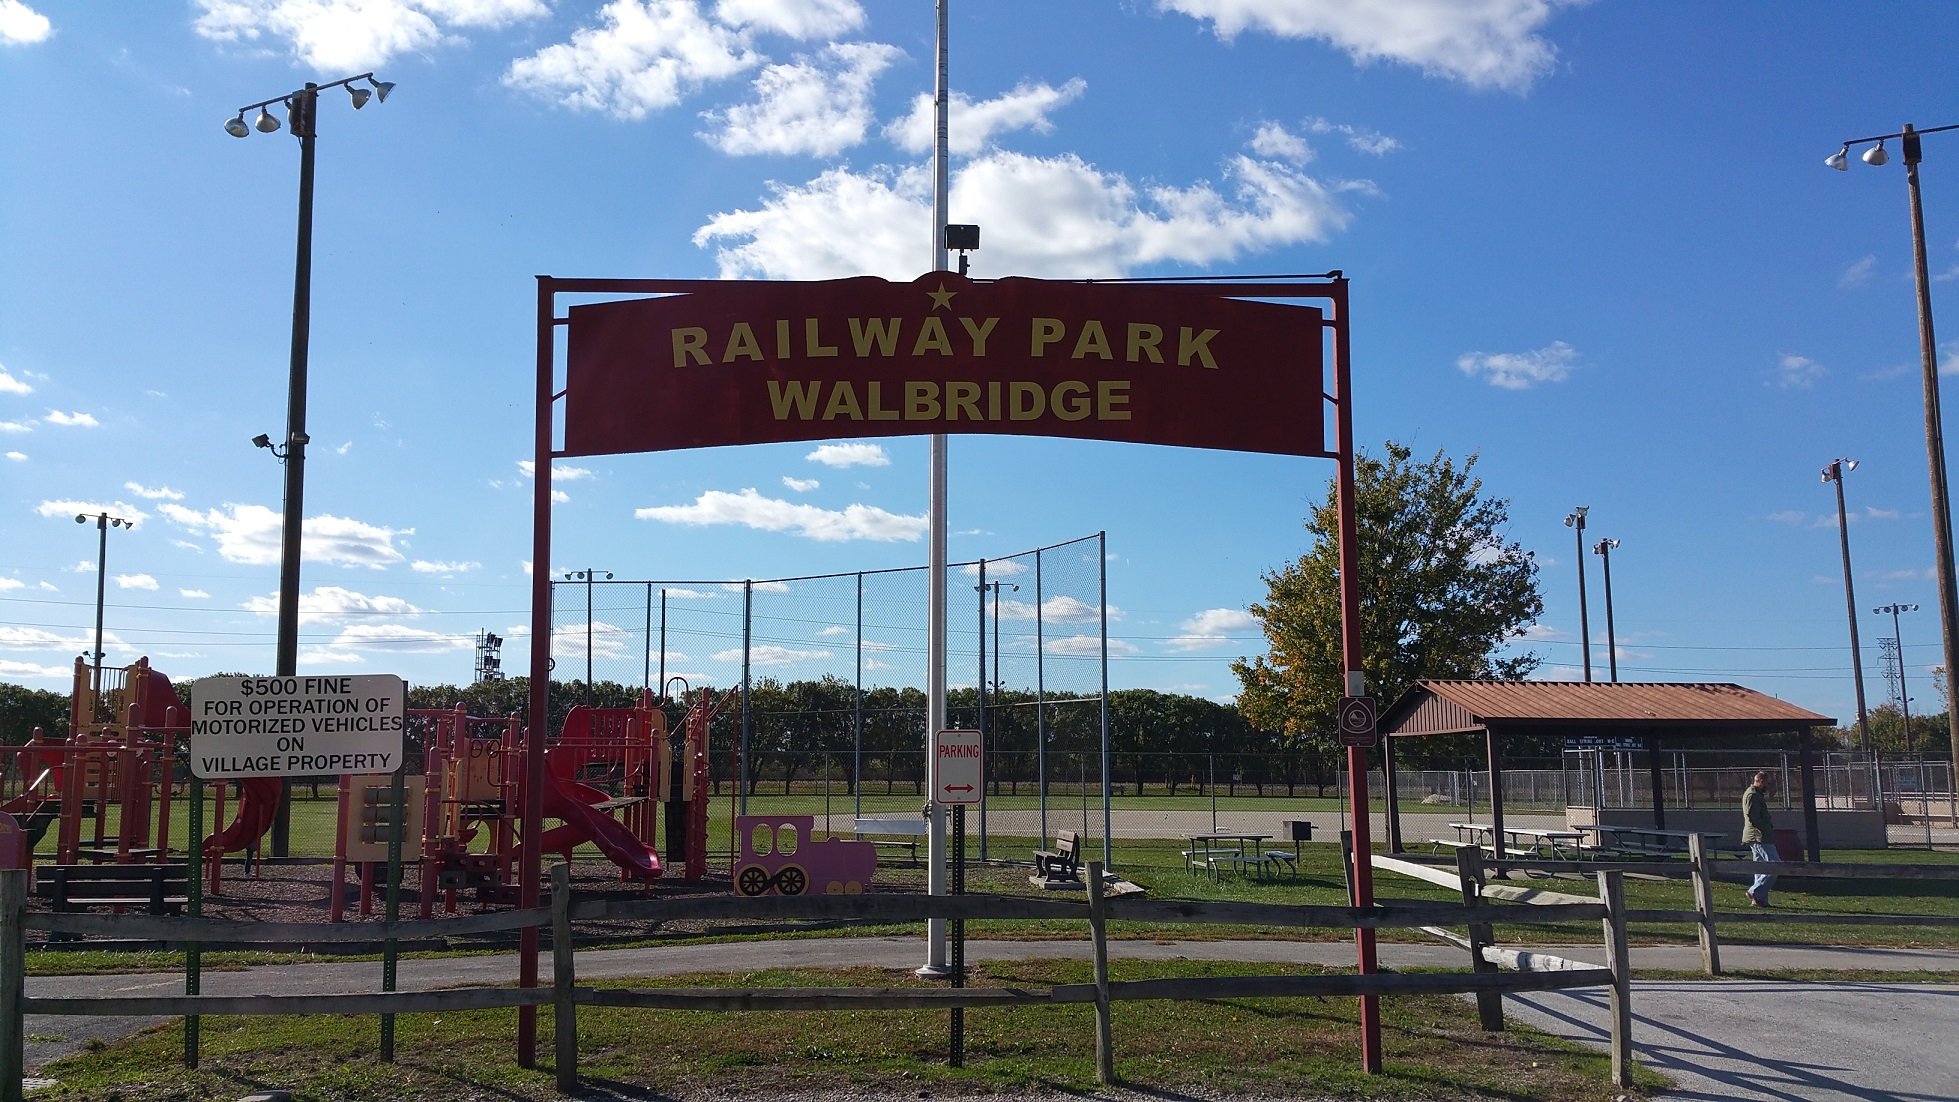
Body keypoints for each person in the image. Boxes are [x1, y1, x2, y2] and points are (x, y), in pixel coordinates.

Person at [1741, 770, 1776, 907]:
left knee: (1760, 868)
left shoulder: (1756, 794)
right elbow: (1753, 817)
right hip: (1758, 836)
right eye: (1767, 783)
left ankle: (1759, 901)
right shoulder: (1752, 795)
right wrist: (1767, 827)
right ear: (1761, 781)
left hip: (1759, 835)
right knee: (1775, 865)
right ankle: (1754, 891)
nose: (1769, 786)